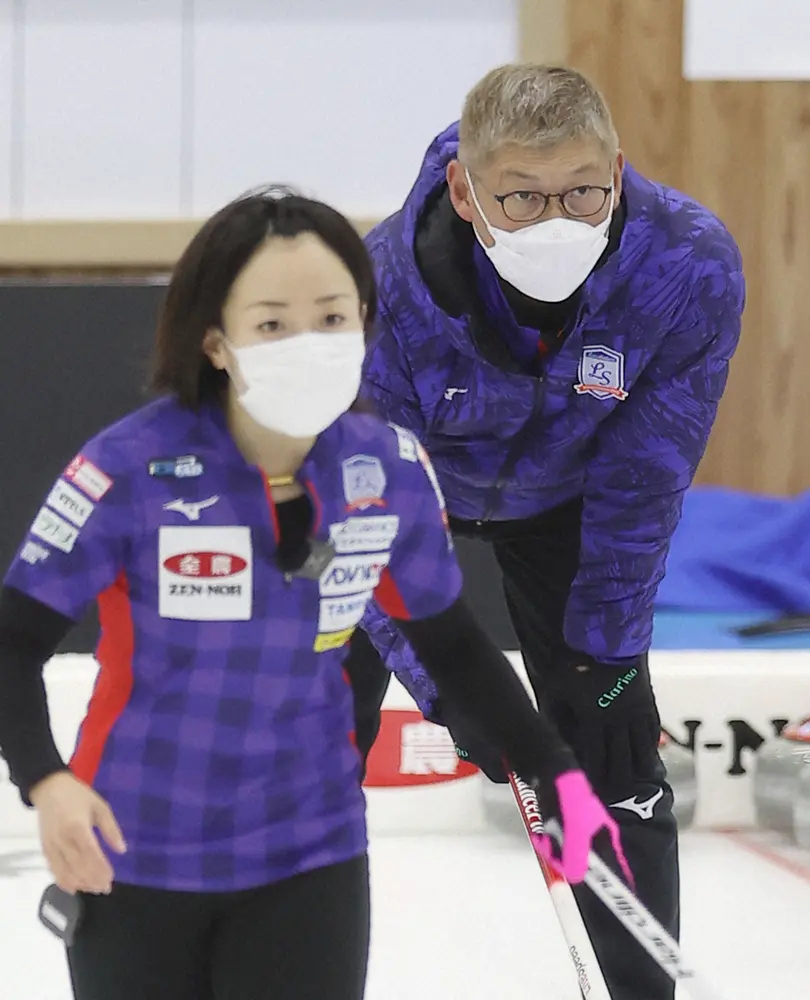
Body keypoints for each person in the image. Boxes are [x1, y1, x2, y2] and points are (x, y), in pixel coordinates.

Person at [0, 188, 626, 1000]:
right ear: (216, 341)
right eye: (271, 323)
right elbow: (12, 642)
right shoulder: (129, 470)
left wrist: (555, 771)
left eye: (332, 317)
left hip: (310, 855)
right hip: (134, 849)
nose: (309, 341)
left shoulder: (389, 469)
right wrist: (46, 782)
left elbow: (452, 644)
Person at [349, 64, 746, 1000]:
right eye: (521, 197)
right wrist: (452, 693)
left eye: (581, 191)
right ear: (464, 189)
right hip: (416, 496)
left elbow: (645, 474)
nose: (557, 219)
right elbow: (366, 515)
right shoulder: (379, 287)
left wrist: (603, 656)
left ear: (616, 167)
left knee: (609, 749)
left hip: (566, 498)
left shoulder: (685, 262)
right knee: (311, 729)